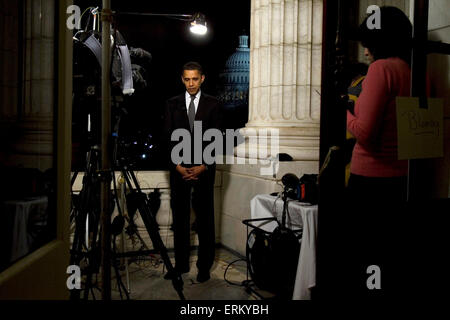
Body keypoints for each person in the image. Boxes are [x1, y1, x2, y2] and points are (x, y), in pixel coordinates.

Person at [342, 6, 413, 296]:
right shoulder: (413, 70)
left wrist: (342, 111)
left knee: (363, 256)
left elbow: (365, 134)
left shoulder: (382, 70)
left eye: (368, 44)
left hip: (370, 183)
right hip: (402, 179)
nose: (366, 52)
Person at [163, 61, 222, 283]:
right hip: (179, 170)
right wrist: (177, 166)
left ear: (202, 78)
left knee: (205, 219)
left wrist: (203, 165)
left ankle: (204, 267)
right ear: (182, 79)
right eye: (187, 79)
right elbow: (167, 138)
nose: (190, 83)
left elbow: (217, 139)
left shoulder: (214, 105)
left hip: (204, 171)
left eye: (194, 79)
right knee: (179, 219)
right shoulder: (171, 104)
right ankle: (180, 265)